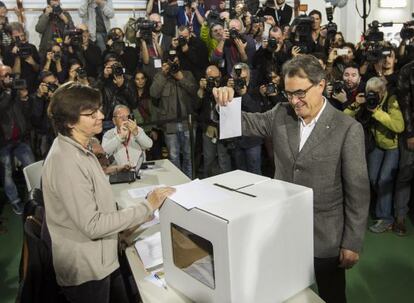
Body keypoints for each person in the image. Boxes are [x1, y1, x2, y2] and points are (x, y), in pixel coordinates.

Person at [213, 55, 370, 303]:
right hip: (282, 229)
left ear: (321, 85)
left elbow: (358, 192)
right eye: (288, 94)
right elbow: (242, 123)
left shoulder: (347, 128)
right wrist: (225, 103)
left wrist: (352, 242)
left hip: (324, 237)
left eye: (300, 93)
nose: (294, 101)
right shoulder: (281, 113)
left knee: (331, 295)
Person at [42, 81, 175, 302]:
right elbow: (92, 225)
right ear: (69, 122)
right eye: (91, 113)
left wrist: (109, 171)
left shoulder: (80, 147)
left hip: (102, 258)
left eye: (99, 110)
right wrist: (147, 206)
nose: (100, 115)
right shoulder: (65, 161)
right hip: (89, 271)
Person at [344, 77, 404, 233]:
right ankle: (384, 206)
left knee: (384, 179)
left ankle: (385, 217)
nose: (372, 96)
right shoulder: (367, 101)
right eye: (369, 92)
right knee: (372, 177)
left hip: (392, 146)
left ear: (383, 91)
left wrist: (376, 111)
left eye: (375, 93)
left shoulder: (391, 100)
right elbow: (345, 117)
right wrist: (356, 103)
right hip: (377, 145)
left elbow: (399, 126)